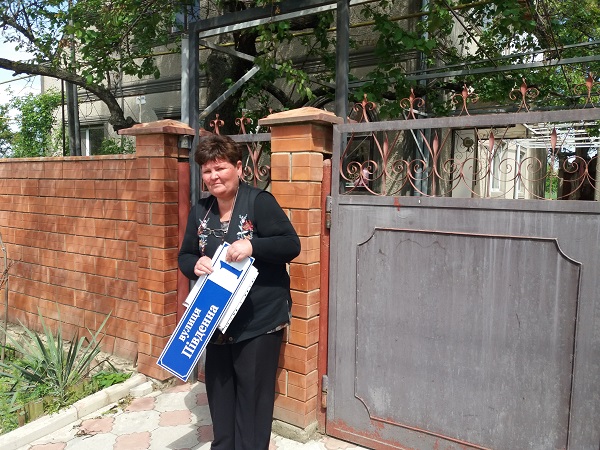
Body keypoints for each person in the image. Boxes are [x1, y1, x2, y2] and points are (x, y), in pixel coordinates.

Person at [178, 134, 301, 450]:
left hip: (257, 320)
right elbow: (185, 255)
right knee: (220, 395)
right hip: (214, 319)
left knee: (253, 398)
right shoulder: (201, 210)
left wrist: (252, 245)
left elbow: (291, 244)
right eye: (207, 171)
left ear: (238, 168)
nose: (213, 176)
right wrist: (196, 264)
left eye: (220, 168)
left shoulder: (259, 202)